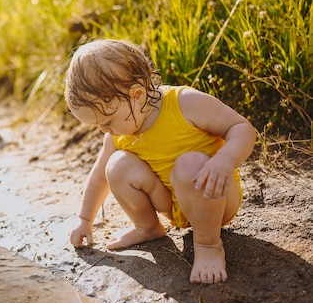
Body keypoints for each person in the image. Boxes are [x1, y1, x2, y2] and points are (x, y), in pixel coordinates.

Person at [64, 39, 256, 284]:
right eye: (98, 125)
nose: (105, 131)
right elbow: (101, 175)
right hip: (173, 204)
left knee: (188, 165)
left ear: (137, 95)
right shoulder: (120, 134)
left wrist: (225, 161)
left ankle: (208, 245)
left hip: (215, 196)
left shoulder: (185, 103)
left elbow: (241, 127)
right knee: (116, 164)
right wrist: (84, 219)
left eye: (108, 121)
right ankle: (148, 227)